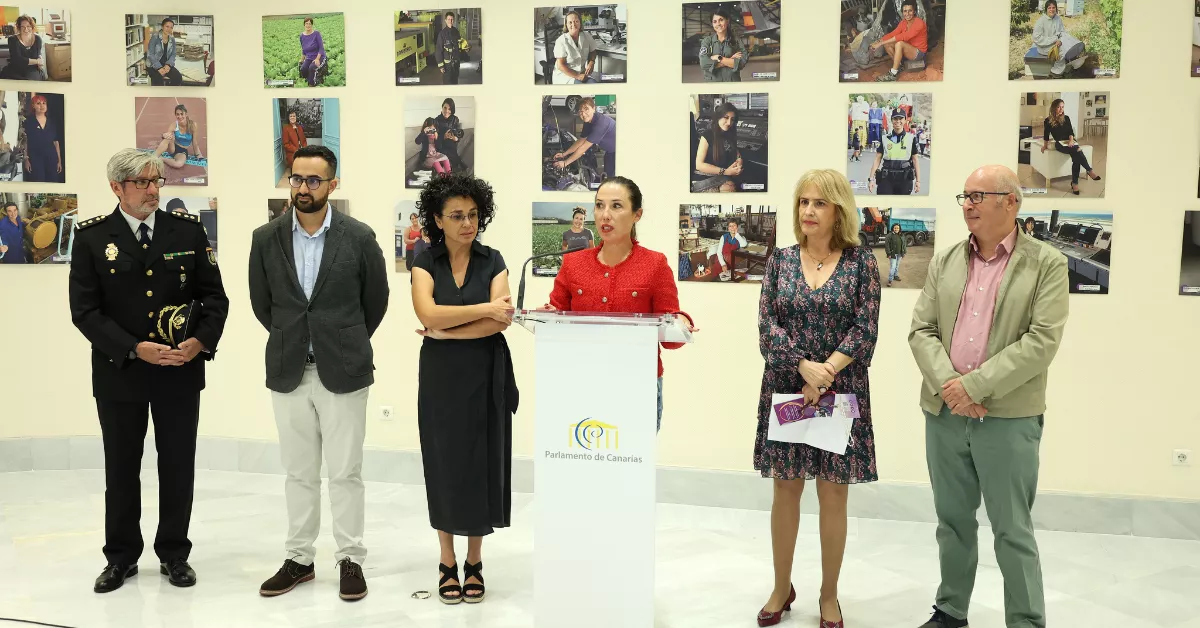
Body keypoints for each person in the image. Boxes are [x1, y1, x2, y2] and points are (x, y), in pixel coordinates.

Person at [909, 165, 1068, 628]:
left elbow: (1041, 342)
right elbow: (922, 331)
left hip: (1008, 417)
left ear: (1011, 203)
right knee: (952, 522)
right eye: (965, 196)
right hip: (944, 413)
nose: (969, 204)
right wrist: (952, 388)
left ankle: (1024, 621)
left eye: (980, 195)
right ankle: (951, 610)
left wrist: (975, 387)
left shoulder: (1046, 263)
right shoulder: (945, 261)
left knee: (1012, 528)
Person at [68, 148, 230, 593]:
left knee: (178, 466)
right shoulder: (92, 238)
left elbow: (215, 299)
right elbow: (85, 312)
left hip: (179, 372)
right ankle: (120, 558)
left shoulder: (188, 231)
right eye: (143, 182)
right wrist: (134, 348)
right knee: (121, 468)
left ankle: (175, 554)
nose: (154, 189)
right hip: (120, 374)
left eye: (157, 180)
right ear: (117, 188)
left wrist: (199, 343)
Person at [249, 145, 390, 602]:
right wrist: (295, 336)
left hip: (344, 368)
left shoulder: (360, 236)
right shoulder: (265, 238)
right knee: (298, 472)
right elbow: (262, 303)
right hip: (289, 368)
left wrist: (343, 339)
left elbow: (376, 302)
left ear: (333, 183)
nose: (303, 188)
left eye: (314, 180)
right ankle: (299, 559)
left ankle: (350, 558)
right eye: (296, 179)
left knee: (346, 471)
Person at [755, 169, 880, 628]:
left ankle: (830, 595)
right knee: (785, 489)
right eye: (804, 202)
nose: (808, 211)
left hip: (840, 392)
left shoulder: (861, 263)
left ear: (839, 211)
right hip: (788, 387)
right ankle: (780, 586)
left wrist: (826, 371)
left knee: (832, 494)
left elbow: (865, 327)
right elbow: (768, 326)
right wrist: (803, 367)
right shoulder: (780, 261)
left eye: (819, 203)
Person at [410, 173, 519, 605]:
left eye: (473, 214)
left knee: (479, 463)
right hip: (440, 378)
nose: (467, 223)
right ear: (437, 219)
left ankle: (474, 560)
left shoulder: (494, 260)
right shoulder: (424, 261)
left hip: (484, 373)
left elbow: (502, 320)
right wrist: (482, 310)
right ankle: (446, 559)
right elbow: (428, 313)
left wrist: (451, 331)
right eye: (456, 215)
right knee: (444, 463)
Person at [546, 177, 698, 431]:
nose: (605, 215)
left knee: (631, 467)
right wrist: (547, 317)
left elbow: (670, 337)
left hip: (638, 382)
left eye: (616, 206)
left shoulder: (655, 264)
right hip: (581, 379)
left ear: (636, 214)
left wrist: (681, 322)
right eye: (599, 206)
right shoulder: (573, 264)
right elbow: (555, 316)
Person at [1041, 98, 1100, 195]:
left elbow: (1070, 132)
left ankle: (1075, 184)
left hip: (1070, 142)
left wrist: (1071, 140)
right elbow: (1046, 135)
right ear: (1054, 108)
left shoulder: (1066, 118)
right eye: (1059, 107)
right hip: (1059, 143)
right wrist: (1044, 146)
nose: (1061, 109)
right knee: (1077, 151)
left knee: (1076, 155)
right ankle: (1089, 171)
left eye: (1062, 107)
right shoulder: (1047, 121)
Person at [553, 97, 616, 182]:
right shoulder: (588, 121)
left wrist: (565, 163)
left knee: (611, 180)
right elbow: (581, 141)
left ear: (594, 109)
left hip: (617, 151)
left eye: (586, 109)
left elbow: (583, 148)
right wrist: (564, 154)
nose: (583, 114)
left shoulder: (600, 124)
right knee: (607, 176)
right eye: (581, 111)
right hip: (609, 151)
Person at [872, 1, 928, 82]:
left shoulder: (919, 23)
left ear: (914, 11)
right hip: (908, 50)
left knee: (899, 43)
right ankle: (899, 66)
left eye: (910, 10)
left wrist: (880, 43)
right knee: (888, 44)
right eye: (905, 11)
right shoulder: (903, 23)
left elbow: (903, 36)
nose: (907, 13)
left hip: (919, 53)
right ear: (902, 12)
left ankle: (893, 74)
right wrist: (878, 41)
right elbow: (893, 34)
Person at [693, 101, 743, 193]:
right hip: (704, 177)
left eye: (732, 119)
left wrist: (739, 161)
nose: (729, 123)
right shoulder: (707, 135)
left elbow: (736, 152)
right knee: (730, 189)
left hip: (722, 176)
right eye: (726, 118)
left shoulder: (730, 133)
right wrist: (726, 172)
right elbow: (699, 165)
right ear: (718, 117)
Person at [869, 110, 920, 195]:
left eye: (901, 118)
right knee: (883, 204)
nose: (898, 121)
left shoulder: (911, 138)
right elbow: (877, 159)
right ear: (892, 120)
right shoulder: (884, 138)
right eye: (895, 118)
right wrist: (871, 179)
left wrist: (918, 181)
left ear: (905, 120)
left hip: (904, 179)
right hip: (886, 178)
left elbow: (915, 160)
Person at [698, 7, 748, 81]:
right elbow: (704, 64)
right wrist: (730, 60)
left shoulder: (736, 40)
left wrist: (718, 58)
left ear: (727, 21)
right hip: (713, 85)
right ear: (712, 24)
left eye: (721, 20)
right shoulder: (707, 41)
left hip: (732, 84)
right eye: (715, 21)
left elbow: (741, 63)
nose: (718, 24)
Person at [22, 94, 62, 183]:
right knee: (38, 180)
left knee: (53, 181)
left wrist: (59, 161)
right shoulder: (28, 121)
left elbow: (56, 142)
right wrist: (26, 159)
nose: (42, 106)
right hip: (35, 157)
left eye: (44, 103)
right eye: (38, 103)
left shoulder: (52, 122)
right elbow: (25, 141)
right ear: (33, 105)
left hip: (51, 156)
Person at [1032, 1, 1077, 77]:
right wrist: (1054, 40)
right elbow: (1037, 38)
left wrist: (1060, 40)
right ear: (1046, 9)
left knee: (1070, 41)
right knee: (1063, 50)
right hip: (1043, 47)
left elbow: (1062, 32)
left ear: (1056, 8)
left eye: (1053, 7)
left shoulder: (1058, 18)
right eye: (1049, 8)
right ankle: (1055, 71)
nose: (1051, 10)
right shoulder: (1041, 21)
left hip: (1056, 43)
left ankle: (1067, 67)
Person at [552, 10, 598, 84]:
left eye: (576, 21)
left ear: (580, 23)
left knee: (595, 84)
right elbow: (561, 65)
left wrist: (591, 62)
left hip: (582, 73)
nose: (573, 24)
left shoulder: (586, 36)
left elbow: (593, 51)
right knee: (582, 88)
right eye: (570, 22)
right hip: (566, 75)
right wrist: (577, 76)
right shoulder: (561, 40)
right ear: (566, 25)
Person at [153, 104, 203, 172]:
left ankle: (161, 159)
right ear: (175, 115)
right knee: (169, 136)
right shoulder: (174, 125)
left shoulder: (193, 125)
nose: (180, 116)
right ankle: (153, 158)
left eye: (182, 114)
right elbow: (166, 137)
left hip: (182, 151)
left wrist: (198, 154)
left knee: (178, 164)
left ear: (186, 114)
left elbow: (194, 142)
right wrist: (163, 135)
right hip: (172, 148)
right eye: (177, 114)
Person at [0, 15, 45, 80]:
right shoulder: (12, 39)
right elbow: (17, 60)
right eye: (22, 27)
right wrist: (37, 61)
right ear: (19, 28)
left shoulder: (38, 39)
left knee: (30, 83)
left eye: (28, 26)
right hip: (15, 69)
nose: (26, 29)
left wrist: (39, 63)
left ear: (32, 27)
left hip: (32, 70)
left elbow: (38, 57)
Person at [146, 18, 184, 86]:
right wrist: (159, 67)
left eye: (171, 27)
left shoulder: (172, 39)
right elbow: (150, 54)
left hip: (165, 64)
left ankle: (169, 92)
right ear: (162, 26)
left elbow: (173, 54)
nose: (169, 29)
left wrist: (168, 65)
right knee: (158, 82)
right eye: (167, 26)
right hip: (153, 64)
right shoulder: (155, 37)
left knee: (178, 78)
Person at [436, 12, 468, 85]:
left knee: (455, 81)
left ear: (454, 20)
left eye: (452, 19)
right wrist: (441, 66)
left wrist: (465, 49)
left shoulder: (456, 31)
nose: (450, 21)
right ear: (445, 20)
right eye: (448, 19)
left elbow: (459, 45)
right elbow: (438, 50)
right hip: (447, 65)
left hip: (456, 63)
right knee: (447, 83)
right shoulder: (442, 34)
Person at [434, 98, 465, 171]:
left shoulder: (455, 119)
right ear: (442, 107)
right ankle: (452, 163)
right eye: (445, 108)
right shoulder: (436, 120)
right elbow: (434, 140)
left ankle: (451, 164)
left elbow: (458, 134)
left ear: (452, 110)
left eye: (449, 109)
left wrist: (456, 138)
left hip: (451, 146)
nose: (446, 111)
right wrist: (443, 137)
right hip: (441, 146)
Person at [299, 17, 326, 87]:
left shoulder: (316, 34)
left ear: (312, 25)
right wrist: (302, 59)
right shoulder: (302, 36)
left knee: (312, 68)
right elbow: (304, 49)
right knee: (303, 69)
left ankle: (312, 84)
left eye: (310, 24)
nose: (308, 25)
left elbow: (321, 48)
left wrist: (317, 59)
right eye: (306, 23)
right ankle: (308, 80)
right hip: (309, 57)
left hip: (319, 56)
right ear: (304, 25)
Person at [886, 222, 907, 286]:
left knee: (897, 266)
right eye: (895, 228)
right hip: (893, 254)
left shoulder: (902, 235)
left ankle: (895, 276)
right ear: (893, 228)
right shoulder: (889, 235)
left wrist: (904, 252)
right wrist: (888, 253)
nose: (896, 229)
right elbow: (887, 245)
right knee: (893, 267)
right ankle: (890, 280)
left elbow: (904, 244)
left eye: (897, 228)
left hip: (900, 254)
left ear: (899, 228)